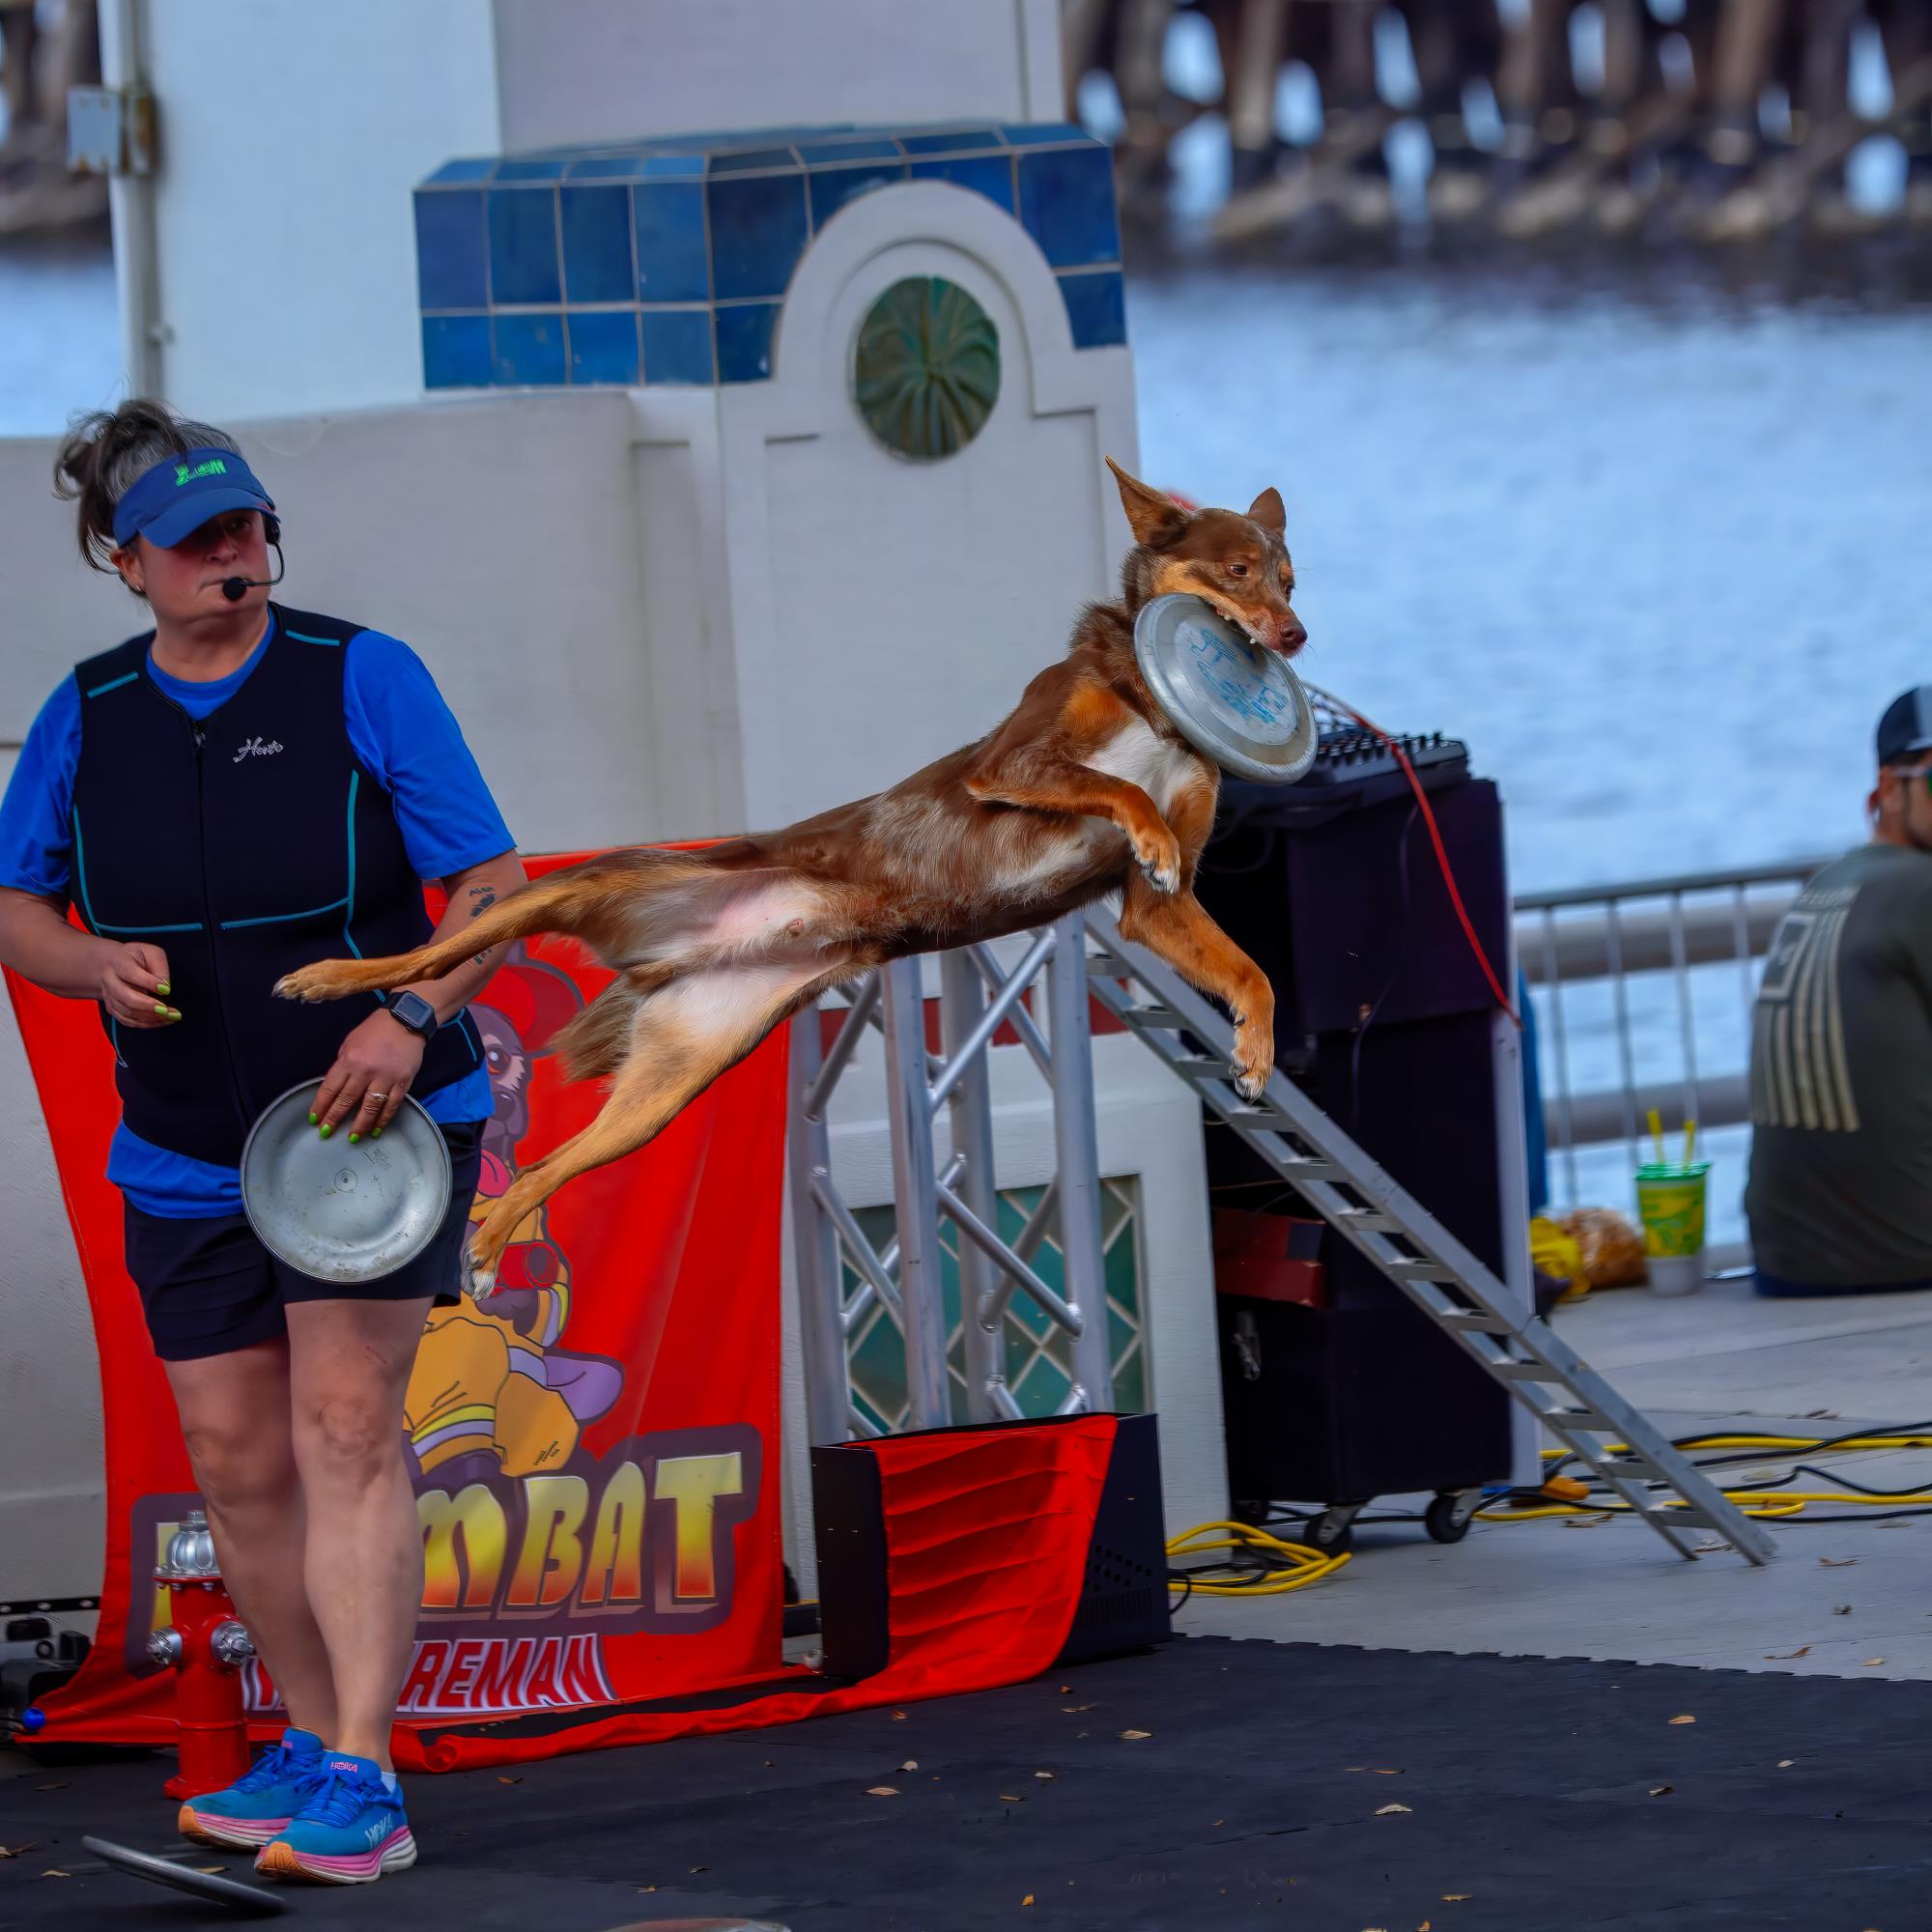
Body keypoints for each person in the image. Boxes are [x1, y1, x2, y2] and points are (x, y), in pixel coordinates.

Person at [0, 400, 525, 1885]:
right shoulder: (87, 713)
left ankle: (366, 1774)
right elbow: (16, 905)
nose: (230, 557)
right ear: (126, 562)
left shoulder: (363, 674)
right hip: (182, 1147)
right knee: (235, 1465)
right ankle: (306, 1739)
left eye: (245, 529)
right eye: (193, 540)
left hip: (368, 1129)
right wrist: (85, 964)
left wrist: (409, 1018)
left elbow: (493, 884)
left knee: (345, 1430)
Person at [1745, 688, 1932, 1299]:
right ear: (1889, 788)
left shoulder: (1828, 883)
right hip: (1903, 1257)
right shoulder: (1921, 889)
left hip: (1786, 1262)